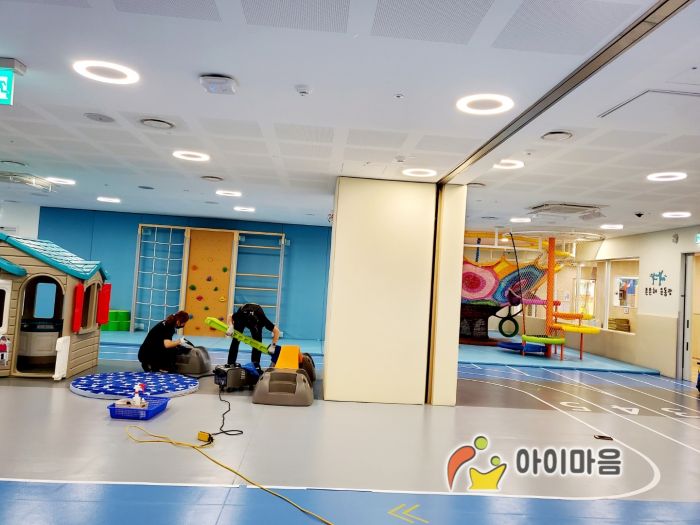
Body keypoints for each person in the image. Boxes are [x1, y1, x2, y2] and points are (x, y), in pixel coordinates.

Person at [226, 303, 280, 372]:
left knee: (257, 342)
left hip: (257, 313)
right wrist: (230, 326)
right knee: (236, 339)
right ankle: (230, 363)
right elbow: (230, 316)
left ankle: (255, 365)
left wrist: (273, 345)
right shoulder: (241, 315)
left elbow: (277, 331)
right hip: (243, 315)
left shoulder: (262, 319)